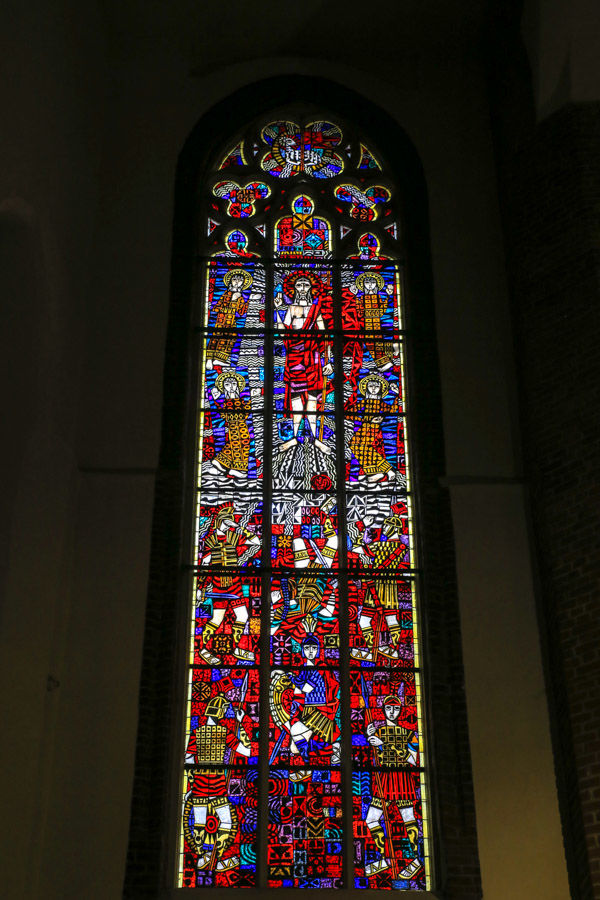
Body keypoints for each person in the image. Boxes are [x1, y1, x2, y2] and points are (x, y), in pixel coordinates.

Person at [183, 694, 251, 873]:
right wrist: (241, 724)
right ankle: (216, 858)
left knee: (199, 824)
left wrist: (193, 780)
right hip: (217, 784)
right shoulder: (224, 733)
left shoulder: (197, 733)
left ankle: (202, 857)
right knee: (226, 822)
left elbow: (188, 759)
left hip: (199, 784)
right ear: (220, 713)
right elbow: (248, 751)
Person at [274, 269, 333, 454]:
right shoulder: (291, 309)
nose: (302, 288)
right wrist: (277, 310)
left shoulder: (315, 310)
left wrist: (328, 361)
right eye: (299, 284)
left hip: (313, 358)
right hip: (295, 357)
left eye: (305, 285)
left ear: (310, 288)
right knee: (296, 399)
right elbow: (282, 333)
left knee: (313, 399)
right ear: (294, 288)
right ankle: (293, 438)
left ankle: (316, 439)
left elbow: (325, 336)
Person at [364, 695, 422, 881]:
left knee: (408, 819)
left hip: (401, 778)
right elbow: (376, 756)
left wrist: (385, 744)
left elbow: (412, 760)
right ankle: (386, 858)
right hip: (384, 778)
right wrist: (370, 737)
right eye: (388, 708)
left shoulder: (409, 734)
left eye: (396, 709)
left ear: (400, 711)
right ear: (383, 709)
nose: (392, 712)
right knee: (371, 819)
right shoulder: (379, 732)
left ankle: (415, 860)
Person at [197, 504, 260, 663]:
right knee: (217, 619)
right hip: (218, 587)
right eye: (226, 522)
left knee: (243, 615)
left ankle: (235, 647)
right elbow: (204, 564)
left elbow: (257, 542)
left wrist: (241, 529)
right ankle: (203, 649)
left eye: (230, 522)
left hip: (235, 585)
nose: (229, 525)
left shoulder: (233, 537)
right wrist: (200, 587)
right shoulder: (210, 541)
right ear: (219, 521)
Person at [351, 515, 409, 662]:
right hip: (390, 589)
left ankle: (374, 650)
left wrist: (362, 529)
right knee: (391, 619)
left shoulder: (379, 546)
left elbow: (356, 549)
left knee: (365, 620)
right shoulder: (405, 549)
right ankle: (395, 650)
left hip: (375, 588)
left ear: (395, 528)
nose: (384, 528)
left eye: (387, 525)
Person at [347, 373, 402, 483]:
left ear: (380, 389)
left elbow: (391, 411)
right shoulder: (364, 402)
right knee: (357, 446)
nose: (373, 389)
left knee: (358, 445)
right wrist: (362, 420)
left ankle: (387, 470)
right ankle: (377, 471)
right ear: (366, 388)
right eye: (371, 386)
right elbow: (349, 413)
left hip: (374, 427)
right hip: (365, 426)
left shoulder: (380, 403)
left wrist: (397, 395)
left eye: (376, 386)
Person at [209, 370, 260, 482]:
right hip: (236, 426)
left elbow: (244, 413)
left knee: (238, 443)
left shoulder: (239, 400)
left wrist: (251, 398)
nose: (231, 387)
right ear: (223, 387)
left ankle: (221, 462)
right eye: (227, 384)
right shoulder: (226, 401)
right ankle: (234, 468)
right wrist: (215, 400)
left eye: (233, 384)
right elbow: (228, 414)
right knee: (238, 443)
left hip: (241, 425)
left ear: (237, 385)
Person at [205, 268, 258, 369]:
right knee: (216, 338)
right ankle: (209, 359)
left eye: (240, 280)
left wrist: (250, 300)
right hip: (221, 321)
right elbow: (216, 308)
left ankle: (219, 359)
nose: (237, 282)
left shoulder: (240, 297)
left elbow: (241, 312)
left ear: (243, 283)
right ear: (230, 281)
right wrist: (232, 299)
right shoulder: (226, 294)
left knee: (230, 338)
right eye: (234, 279)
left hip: (231, 322)